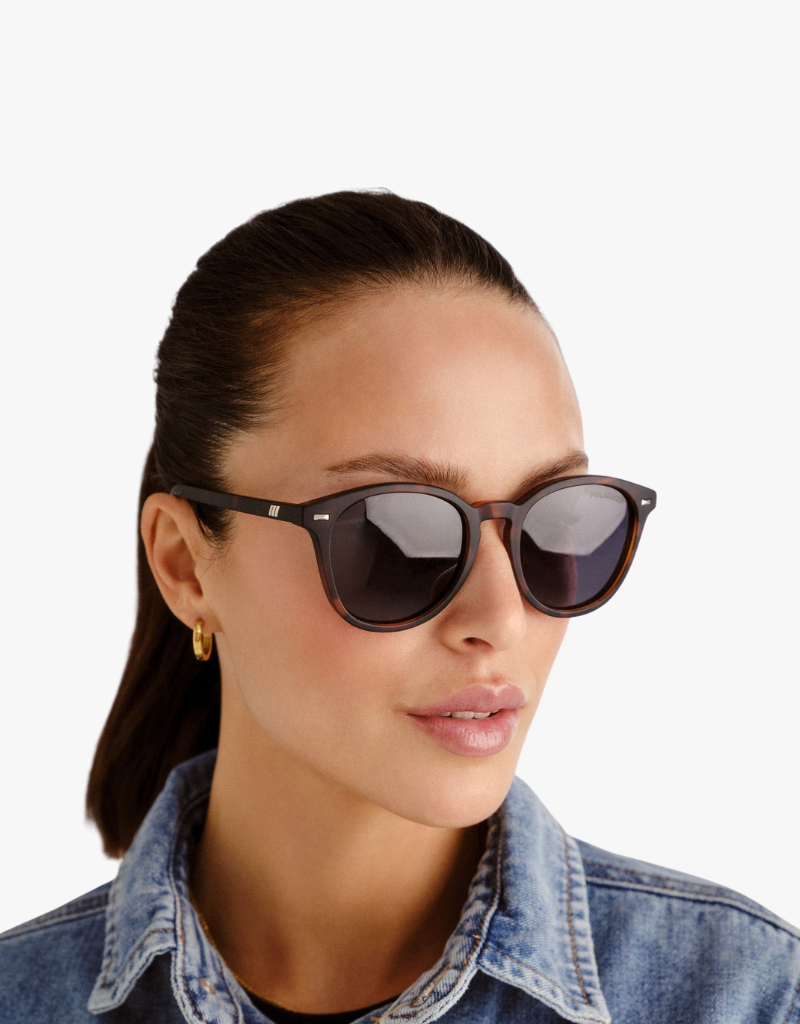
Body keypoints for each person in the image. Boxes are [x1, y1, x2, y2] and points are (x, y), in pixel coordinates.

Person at [1, 190, 797, 1024]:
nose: (502, 617)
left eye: (554, 523)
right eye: (394, 536)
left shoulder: (751, 999)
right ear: (184, 566)